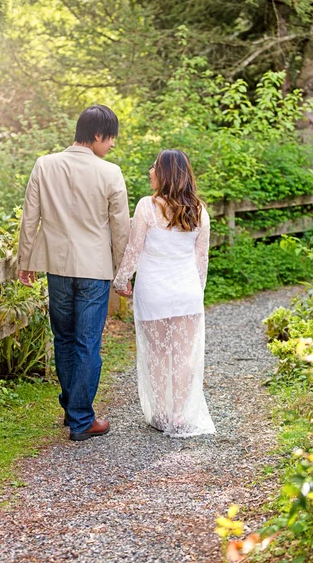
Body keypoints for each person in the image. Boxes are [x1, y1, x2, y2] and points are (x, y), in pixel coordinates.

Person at [17, 105, 130, 441]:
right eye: (110, 138)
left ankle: (72, 410)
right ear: (97, 135)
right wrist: (122, 272)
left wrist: (25, 261)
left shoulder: (45, 165)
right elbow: (120, 228)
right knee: (87, 343)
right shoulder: (110, 173)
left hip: (56, 266)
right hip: (94, 269)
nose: (112, 145)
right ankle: (81, 420)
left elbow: (29, 217)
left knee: (64, 338)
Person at [114, 149, 215, 438]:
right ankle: (181, 416)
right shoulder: (199, 211)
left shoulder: (147, 207)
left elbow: (133, 251)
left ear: (166, 173)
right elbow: (201, 260)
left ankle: (161, 414)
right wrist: (197, 292)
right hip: (186, 292)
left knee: (157, 354)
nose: (150, 171)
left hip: (154, 291)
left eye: (154, 167)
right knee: (183, 356)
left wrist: (121, 281)